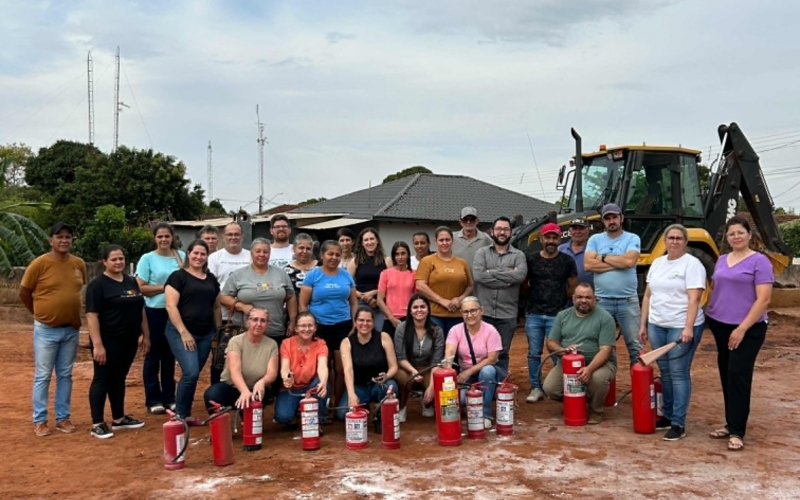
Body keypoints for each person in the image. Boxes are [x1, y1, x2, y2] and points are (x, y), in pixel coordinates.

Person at [706, 216, 773, 452]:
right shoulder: (723, 259)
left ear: (749, 235)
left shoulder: (760, 261)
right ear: (727, 237)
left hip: (747, 328)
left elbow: (764, 298)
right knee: (726, 373)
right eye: (732, 233)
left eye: (740, 232)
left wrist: (742, 328)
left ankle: (737, 431)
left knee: (738, 374)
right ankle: (730, 421)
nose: (736, 236)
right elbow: (716, 289)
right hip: (720, 323)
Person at [638, 224, 706, 441]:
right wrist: (643, 324)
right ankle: (667, 416)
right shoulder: (657, 263)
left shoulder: (692, 265)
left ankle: (678, 423)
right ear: (665, 241)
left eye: (679, 238)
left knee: (678, 372)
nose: (674, 242)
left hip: (681, 325)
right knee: (665, 371)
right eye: (671, 238)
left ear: (685, 242)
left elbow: (694, 298)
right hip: (657, 324)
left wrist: (688, 327)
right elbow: (648, 296)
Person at [20, 222, 87, 437]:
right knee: (43, 375)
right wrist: (39, 314)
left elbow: (76, 291)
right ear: (51, 240)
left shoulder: (79, 264)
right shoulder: (39, 264)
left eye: (68, 236)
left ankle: (63, 418)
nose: (64, 240)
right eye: (59, 237)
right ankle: (40, 420)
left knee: (66, 375)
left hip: (71, 329)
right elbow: (24, 293)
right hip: (46, 329)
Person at [85, 245, 150, 439]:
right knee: (102, 379)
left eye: (121, 258)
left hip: (128, 340)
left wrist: (146, 335)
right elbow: (92, 315)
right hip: (107, 340)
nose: (118, 262)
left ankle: (119, 418)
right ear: (104, 262)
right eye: (114, 259)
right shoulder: (98, 285)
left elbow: (141, 310)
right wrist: (97, 344)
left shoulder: (131, 282)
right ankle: (97, 422)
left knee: (119, 378)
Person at [164, 239, 222, 424]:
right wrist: (183, 332)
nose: (199, 257)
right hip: (180, 332)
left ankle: (184, 412)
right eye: (195, 253)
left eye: (203, 254)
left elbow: (216, 307)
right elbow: (171, 306)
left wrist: (218, 331)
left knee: (193, 373)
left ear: (207, 257)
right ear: (188, 254)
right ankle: (181, 414)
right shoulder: (178, 277)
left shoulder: (211, 279)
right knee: (191, 372)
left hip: (205, 333)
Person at [543, 283, 617, 424]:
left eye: (588, 297)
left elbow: (606, 350)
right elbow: (551, 342)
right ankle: (576, 402)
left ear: (595, 299)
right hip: (569, 363)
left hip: (600, 363)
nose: (583, 300)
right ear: (573, 298)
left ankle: (596, 410)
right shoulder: (562, 316)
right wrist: (563, 351)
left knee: (597, 379)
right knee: (550, 388)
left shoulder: (605, 318)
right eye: (579, 297)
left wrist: (589, 369)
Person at [299, 240, 358, 409]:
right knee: (325, 367)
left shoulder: (346, 275)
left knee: (341, 368)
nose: (334, 257)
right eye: (330, 254)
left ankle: (337, 402)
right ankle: (325, 401)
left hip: (343, 326)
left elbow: (354, 303)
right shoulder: (313, 275)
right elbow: (303, 304)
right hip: (320, 327)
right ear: (321, 255)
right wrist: (308, 327)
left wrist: (354, 324)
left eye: (337, 255)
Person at [524, 222, 577, 403]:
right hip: (534, 313)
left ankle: (560, 386)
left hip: (557, 314)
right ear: (541, 239)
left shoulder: (567, 260)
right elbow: (524, 284)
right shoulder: (530, 259)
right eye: (548, 237)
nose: (551, 241)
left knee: (558, 352)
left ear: (559, 238)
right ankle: (536, 387)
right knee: (533, 353)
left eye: (555, 237)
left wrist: (560, 302)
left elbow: (572, 286)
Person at [584, 203, 643, 366]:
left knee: (635, 346)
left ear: (621, 218)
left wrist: (601, 257)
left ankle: (639, 389)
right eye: (607, 218)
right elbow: (588, 265)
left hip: (628, 301)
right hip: (602, 301)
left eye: (614, 217)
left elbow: (630, 261)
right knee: (602, 346)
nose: (611, 221)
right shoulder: (595, 239)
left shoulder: (632, 238)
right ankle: (605, 387)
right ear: (603, 221)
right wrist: (619, 262)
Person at [135, 222, 185, 415]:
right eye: (160, 236)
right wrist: (166, 287)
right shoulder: (147, 258)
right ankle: (153, 399)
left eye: (167, 236)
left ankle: (169, 398)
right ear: (155, 238)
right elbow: (140, 287)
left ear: (172, 237)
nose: (164, 240)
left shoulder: (182, 257)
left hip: (175, 313)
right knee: (153, 356)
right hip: (155, 312)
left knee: (170, 357)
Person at [472, 216, 527, 377]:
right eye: (499, 229)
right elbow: (479, 277)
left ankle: (499, 388)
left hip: (507, 314)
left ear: (511, 232)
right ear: (492, 231)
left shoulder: (519, 255)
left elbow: (519, 277)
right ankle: (482, 385)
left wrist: (492, 273)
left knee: (502, 353)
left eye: (506, 229)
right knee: (481, 352)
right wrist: (507, 277)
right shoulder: (481, 253)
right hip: (484, 313)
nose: (502, 232)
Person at [221, 238, 297, 346]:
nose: (262, 254)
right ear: (251, 253)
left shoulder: (281, 274)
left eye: (265, 252)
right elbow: (223, 297)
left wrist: (293, 321)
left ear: (270, 254)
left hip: (275, 331)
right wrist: (241, 306)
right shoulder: (238, 275)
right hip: (245, 332)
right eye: (258, 251)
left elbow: (291, 296)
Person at [203, 308, 279, 412]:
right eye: (255, 320)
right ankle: (219, 423)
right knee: (212, 395)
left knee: (251, 423)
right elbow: (235, 371)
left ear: (267, 324)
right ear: (248, 321)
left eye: (263, 320)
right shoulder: (236, 341)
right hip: (232, 387)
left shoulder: (272, 344)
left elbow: (272, 373)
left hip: (256, 388)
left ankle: (246, 418)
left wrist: (262, 382)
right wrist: (244, 391)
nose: (259, 324)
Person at [337, 307, 399, 432]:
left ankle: (380, 415)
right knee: (342, 413)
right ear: (355, 322)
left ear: (374, 322)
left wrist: (387, 376)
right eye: (361, 320)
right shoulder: (347, 342)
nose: (365, 324)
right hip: (359, 386)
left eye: (368, 321)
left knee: (391, 387)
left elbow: (394, 366)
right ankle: (364, 407)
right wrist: (351, 394)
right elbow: (348, 370)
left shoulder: (384, 337)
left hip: (379, 384)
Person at [444, 296, 502, 429]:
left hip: (483, 373)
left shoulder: (491, 330)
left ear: (481, 310)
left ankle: (486, 414)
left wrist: (468, 371)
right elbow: (450, 350)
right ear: (461, 314)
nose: (469, 315)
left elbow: (492, 358)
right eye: (465, 312)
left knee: (488, 371)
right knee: (462, 399)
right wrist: (448, 367)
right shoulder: (455, 330)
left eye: (473, 311)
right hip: (466, 378)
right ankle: (474, 403)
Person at [207, 221, 251, 384]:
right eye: (230, 234)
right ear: (223, 237)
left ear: (242, 237)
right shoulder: (214, 258)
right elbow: (211, 287)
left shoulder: (250, 256)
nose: (233, 237)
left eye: (236, 234)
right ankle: (217, 394)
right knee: (220, 355)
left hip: (246, 318)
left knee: (244, 357)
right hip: (221, 316)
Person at [393, 294, 444, 421]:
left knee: (437, 382)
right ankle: (402, 406)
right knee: (404, 378)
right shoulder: (401, 328)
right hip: (406, 367)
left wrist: (431, 387)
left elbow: (436, 362)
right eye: (415, 307)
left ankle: (427, 402)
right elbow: (401, 357)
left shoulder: (437, 331)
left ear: (428, 309)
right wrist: (413, 372)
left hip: (428, 368)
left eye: (422, 307)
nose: (419, 310)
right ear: (410, 311)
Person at [416, 226, 474, 335]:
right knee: (437, 348)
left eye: (447, 240)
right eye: (441, 240)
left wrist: (460, 299)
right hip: (434, 315)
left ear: (452, 241)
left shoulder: (462, 263)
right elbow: (420, 285)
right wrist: (442, 301)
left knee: (455, 349)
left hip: (458, 315)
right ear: (435, 241)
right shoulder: (427, 261)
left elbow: (470, 285)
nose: (444, 243)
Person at [274, 311, 329, 425]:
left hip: (311, 385)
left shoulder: (321, 343)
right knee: (283, 417)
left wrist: (323, 382)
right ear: (296, 328)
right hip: (292, 388)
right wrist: (286, 378)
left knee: (321, 383)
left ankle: (319, 419)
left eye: (310, 325)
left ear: (315, 328)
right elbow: (285, 367)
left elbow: (322, 367)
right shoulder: (286, 343)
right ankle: (297, 412)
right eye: (302, 326)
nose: (307, 329)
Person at [347, 227, 392, 332]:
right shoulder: (355, 261)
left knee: (378, 335)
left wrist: (375, 293)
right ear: (362, 243)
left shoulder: (387, 261)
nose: (369, 242)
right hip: (360, 304)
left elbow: (391, 285)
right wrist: (364, 296)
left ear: (377, 241)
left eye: (372, 239)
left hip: (380, 304)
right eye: (366, 240)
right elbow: (347, 285)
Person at [377, 241, 417, 338]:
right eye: (397, 254)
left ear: (408, 255)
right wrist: (391, 318)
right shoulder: (385, 273)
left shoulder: (414, 274)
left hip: (409, 318)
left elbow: (417, 298)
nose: (400, 257)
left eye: (403, 253)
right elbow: (379, 300)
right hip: (389, 319)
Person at [558, 218, 594, 288]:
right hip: (565, 296)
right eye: (574, 229)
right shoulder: (560, 249)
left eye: (581, 228)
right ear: (570, 231)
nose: (578, 232)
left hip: (588, 296)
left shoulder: (594, 249)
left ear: (588, 231)